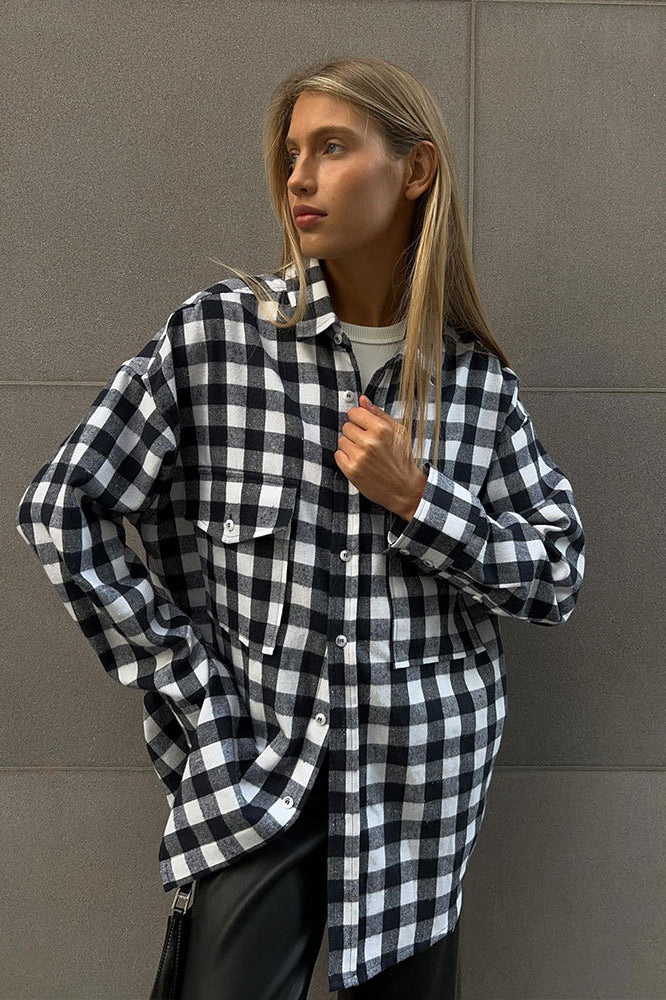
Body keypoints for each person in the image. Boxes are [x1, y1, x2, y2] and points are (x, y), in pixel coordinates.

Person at [14, 56, 586, 999]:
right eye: (292, 154)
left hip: (419, 792)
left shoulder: (475, 385)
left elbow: (557, 573)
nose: (300, 179)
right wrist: (194, 691)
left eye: (332, 148)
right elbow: (61, 507)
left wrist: (422, 501)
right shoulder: (217, 341)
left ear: (415, 169)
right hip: (256, 772)